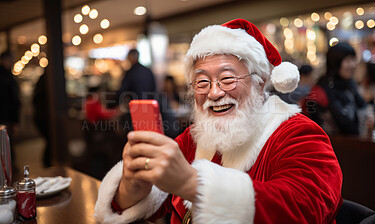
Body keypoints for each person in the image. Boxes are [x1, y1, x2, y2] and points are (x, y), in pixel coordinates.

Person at [94, 19, 342, 223]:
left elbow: (308, 208)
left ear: (259, 83)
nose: (214, 93)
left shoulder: (299, 134)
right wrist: (131, 186)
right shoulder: (194, 138)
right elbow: (146, 204)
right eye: (202, 82)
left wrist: (193, 184)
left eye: (227, 78)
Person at [303, 42, 374, 136]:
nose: (353, 65)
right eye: (348, 60)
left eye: (353, 59)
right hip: (331, 146)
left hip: (352, 144)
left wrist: (370, 114)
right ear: (335, 63)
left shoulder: (349, 84)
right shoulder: (320, 91)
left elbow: (362, 105)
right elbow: (341, 123)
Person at [116, 49, 157, 133]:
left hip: (135, 108)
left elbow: (122, 91)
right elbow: (155, 89)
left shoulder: (130, 72)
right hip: (149, 107)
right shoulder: (148, 71)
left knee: (136, 132)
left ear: (130, 57)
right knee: (148, 131)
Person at [0, 51, 20, 167]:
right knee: (6, 146)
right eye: (11, 60)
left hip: (5, 116)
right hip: (5, 118)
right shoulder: (6, 77)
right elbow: (13, 101)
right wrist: (15, 120)